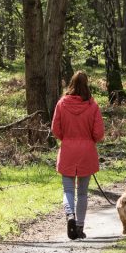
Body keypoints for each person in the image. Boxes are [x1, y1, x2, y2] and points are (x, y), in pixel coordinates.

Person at [51, 71, 105, 240]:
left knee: (68, 190)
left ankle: (70, 216)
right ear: (86, 84)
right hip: (86, 152)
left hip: (67, 150)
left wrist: (66, 139)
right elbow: (99, 133)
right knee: (82, 193)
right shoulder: (92, 106)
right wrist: (90, 140)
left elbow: (55, 130)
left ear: (71, 83)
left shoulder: (61, 104)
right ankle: (80, 227)